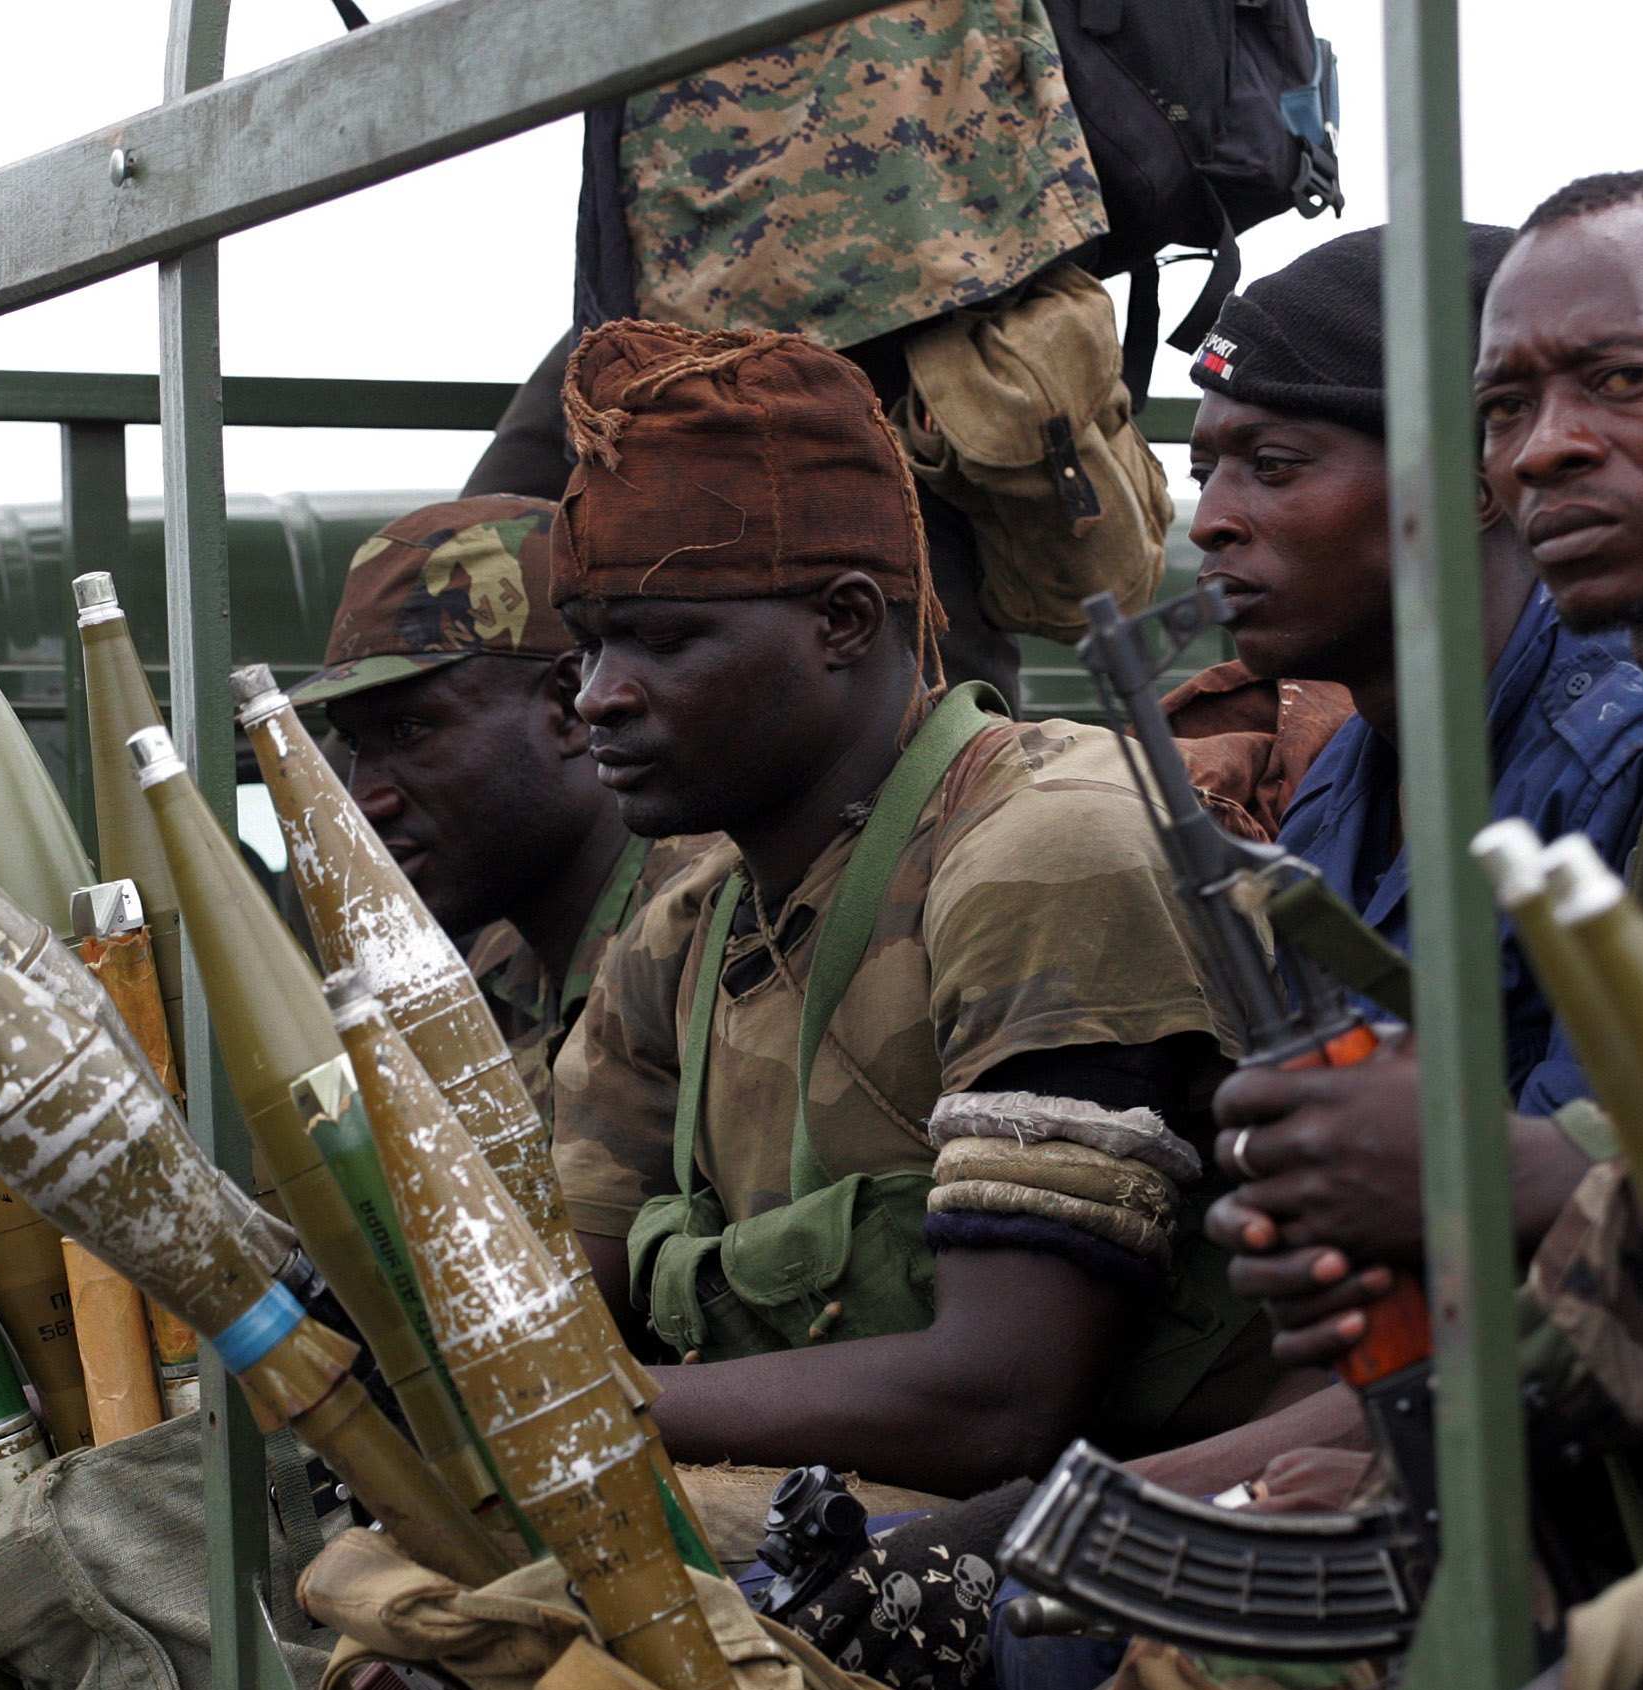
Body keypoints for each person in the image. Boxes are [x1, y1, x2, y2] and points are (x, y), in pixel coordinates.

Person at [547, 320, 1303, 1502]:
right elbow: (556, 1297)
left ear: (845, 620)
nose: (601, 697)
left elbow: (998, 1397)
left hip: (1082, 1536)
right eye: (587, 648)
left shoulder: (1042, 848)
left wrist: (553, 1421)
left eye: (663, 637)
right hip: (849, 1497)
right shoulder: (691, 925)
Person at [1208, 176, 1643, 1485]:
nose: (1213, 518)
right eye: (1508, 407)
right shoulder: (1348, 786)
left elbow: (1605, 1218)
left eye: (1620, 381)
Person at [466, 0, 1118, 701]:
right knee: (471, 581)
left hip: (899, 245)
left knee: (910, 645)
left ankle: (946, 801)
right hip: (702, 252)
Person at [1186, 221, 1643, 1115]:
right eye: (1205, 469)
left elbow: (1615, 1187)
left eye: (1272, 465)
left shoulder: (1628, 757)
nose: (1208, 520)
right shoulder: (1340, 788)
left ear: (1472, 485)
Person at [283, 494, 704, 1111]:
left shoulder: (711, 934)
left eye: (408, 732)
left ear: (569, 705)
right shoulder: (489, 971)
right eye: (353, 743)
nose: (364, 799)